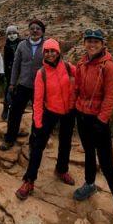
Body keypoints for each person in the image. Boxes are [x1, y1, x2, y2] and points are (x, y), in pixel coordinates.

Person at [72, 28, 113, 224]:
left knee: (107, 166)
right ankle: (89, 184)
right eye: (89, 41)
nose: (92, 44)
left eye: (95, 41)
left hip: (99, 121)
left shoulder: (109, 67)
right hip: (83, 117)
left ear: (102, 43)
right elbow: (77, 88)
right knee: (88, 153)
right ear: (85, 43)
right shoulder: (81, 64)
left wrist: (102, 119)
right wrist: (74, 108)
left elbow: (111, 96)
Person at [15, 38, 76, 200]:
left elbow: (84, 77)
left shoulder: (69, 68)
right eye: (47, 51)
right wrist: (38, 122)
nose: (50, 54)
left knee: (66, 143)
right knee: (37, 146)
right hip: (50, 112)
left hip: (69, 111)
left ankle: (61, 169)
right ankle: (29, 180)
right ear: (44, 53)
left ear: (58, 52)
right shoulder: (41, 73)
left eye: (53, 51)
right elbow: (37, 101)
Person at [0, 19, 47, 151]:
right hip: (23, 84)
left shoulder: (46, 45)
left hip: (40, 87)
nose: (35, 31)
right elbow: (16, 65)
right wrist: (12, 83)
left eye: (38, 28)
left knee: (37, 115)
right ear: (29, 30)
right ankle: (9, 138)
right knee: (15, 112)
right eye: (32, 28)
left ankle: (34, 141)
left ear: (42, 31)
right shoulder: (22, 45)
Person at [2, 25, 22, 120]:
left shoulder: (22, 44)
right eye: (9, 34)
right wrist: (6, 74)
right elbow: (5, 61)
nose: (12, 35)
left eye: (13, 33)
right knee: (8, 92)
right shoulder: (6, 46)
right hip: (10, 73)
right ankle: (5, 110)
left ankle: (16, 112)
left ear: (17, 34)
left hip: (22, 73)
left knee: (20, 93)